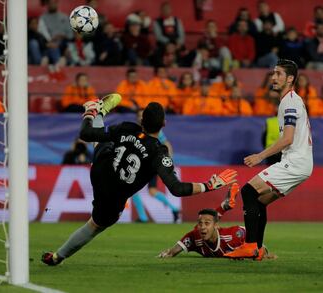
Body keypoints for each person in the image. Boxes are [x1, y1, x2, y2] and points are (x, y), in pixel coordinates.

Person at [42, 94, 237, 266]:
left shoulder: (128, 127)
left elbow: (85, 133)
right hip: (114, 194)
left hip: (100, 170)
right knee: (94, 226)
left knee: (102, 142)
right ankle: (58, 257)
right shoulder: (160, 153)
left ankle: (97, 111)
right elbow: (177, 189)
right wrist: (209, 185)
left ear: (142, 120)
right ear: (164, 125)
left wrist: (88, 115)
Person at [224, 59, 313, 260]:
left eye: (279, 74)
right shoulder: (290, 100)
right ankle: (259, 249)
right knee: (259, 200)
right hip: (301, 164)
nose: (273, 77)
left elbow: (288, 138)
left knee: (247, 191)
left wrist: (260, 156)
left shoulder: (290, 101)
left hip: (295, 161)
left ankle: (249, 245)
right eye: (273, 73)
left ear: (290, 79)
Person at [158, 183, 272, 259]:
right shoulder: (195, 236)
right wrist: (168, 253)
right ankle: (224, 205)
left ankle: (224, 206)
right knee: (204, 224)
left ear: (217, 226)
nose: (202, 227)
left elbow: (258, 243)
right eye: (200, 223)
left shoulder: (234, 235)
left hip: (247, 236)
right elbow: (173, 251)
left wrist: (265, 253)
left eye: (206, 223)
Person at [131, 109, 180, 223]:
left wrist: (169, 159)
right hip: (141, 163)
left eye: (142, 116)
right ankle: (174, 209)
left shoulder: (152, 129)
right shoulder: (134, 130)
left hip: (151, 164)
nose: (140, 118)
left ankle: (143, 217)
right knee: (152, 191)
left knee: (133, 189)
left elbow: (166, 143)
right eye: (138, 115)